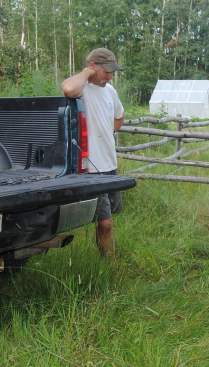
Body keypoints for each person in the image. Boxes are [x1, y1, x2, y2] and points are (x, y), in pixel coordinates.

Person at [61, 48, 124, 257]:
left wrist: (107, 132)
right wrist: (87, 73)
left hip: (110, 164)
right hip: (92, 167)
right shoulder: (83, 88)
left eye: (112, 71)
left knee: (109, 219)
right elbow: (68, 88)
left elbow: (119, 116)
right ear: (93, 67)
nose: (110, 76)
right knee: (105, 222)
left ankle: (104, 255)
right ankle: (109, 262)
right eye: (106, 71)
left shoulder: (110, 90)